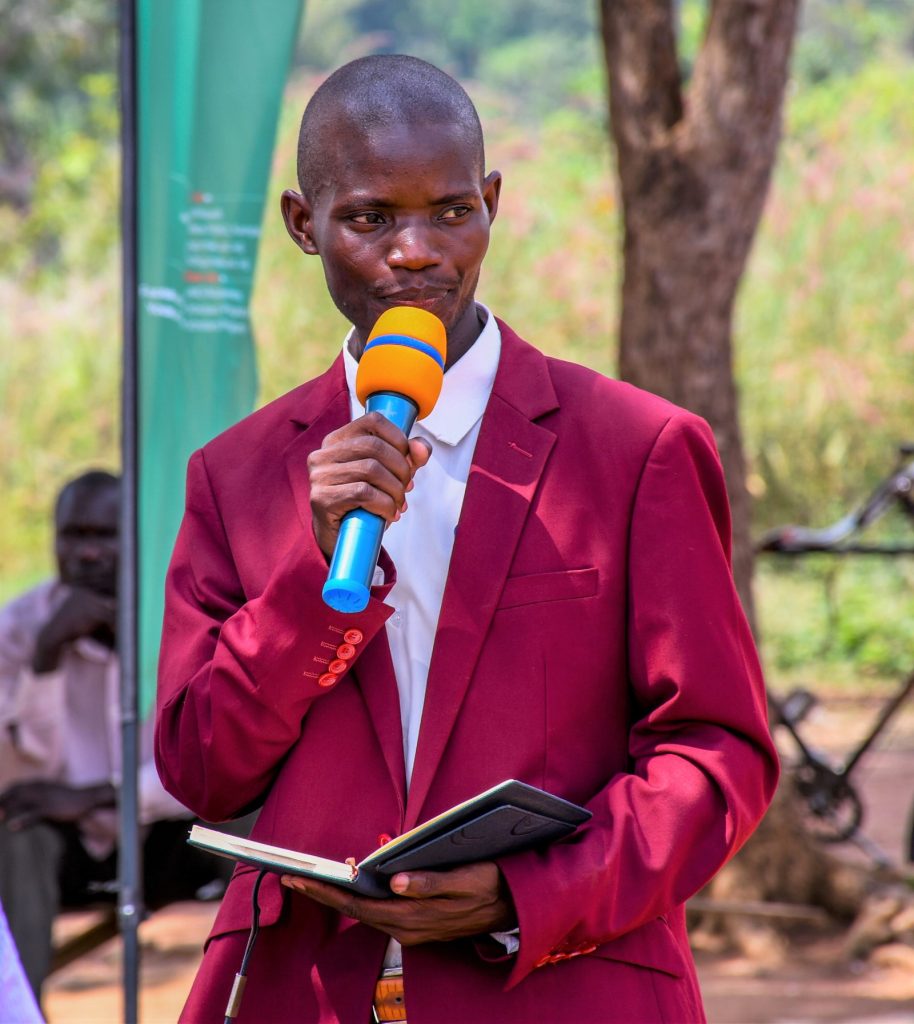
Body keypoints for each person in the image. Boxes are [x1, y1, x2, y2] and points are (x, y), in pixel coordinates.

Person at [155, 55, 779, 1023]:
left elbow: (715, 750)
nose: (417, 251)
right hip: (305, 991)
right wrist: (312, 573)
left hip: (560, 986)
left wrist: (526, 894)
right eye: (368, 218)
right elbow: (202, 767)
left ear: (490, 203)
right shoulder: (234, 477)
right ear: (300, 223)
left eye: (451, 210)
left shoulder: (634, 449)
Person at [0, 470, 217, 1004]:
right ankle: (20, 1009)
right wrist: (46, 658)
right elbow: (19, 780)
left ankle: (259, 1002)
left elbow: (213, 759)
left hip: (164, 841)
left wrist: (103, 797)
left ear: (139, 535)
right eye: (73, 536)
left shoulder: (186, 621)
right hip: (64, 854)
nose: (87, 555)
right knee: (17, 832)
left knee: (251, 822)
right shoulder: (21, 628)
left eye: (105, 536)